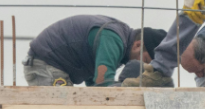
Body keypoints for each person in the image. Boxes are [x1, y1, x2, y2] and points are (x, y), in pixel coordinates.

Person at [24, 15, 166, 87]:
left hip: (50, 64)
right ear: (138, 45)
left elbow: (94, 86)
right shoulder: (113, 40)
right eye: (145, 61)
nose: (142, 67)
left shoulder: (119, 42)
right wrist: (125, 88)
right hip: (47, 65)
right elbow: (103, 85)